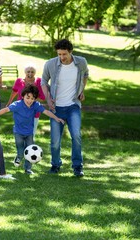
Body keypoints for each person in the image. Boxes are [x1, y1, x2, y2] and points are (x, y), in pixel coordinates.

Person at [41, 39, 89, 177]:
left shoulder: (81, 62)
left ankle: (77, 167)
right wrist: (48, 98)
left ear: (71, 52)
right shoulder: (51, 64)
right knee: (55, 140)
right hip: (56, 108)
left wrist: (82, 90)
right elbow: (44, 81)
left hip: (73, 105)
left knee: (76, 135)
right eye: (59, 54)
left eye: (64, 54)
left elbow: (85, 74)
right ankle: (55, 165)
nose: (61, 57)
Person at [0, 84, 64, 174]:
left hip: (29, 133)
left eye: (32, 98)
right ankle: (19, 157)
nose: (30, 100)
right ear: (23, 96)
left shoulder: (35, 105)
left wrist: (56, 118)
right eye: (28, 97)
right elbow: (5, 110)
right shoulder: (17, 105)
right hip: (18, 132)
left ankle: (28, 169)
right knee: (20, 150)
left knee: (30, 151)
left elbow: (46, 111)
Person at [6, 64, 45, 137]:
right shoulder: (19, 81)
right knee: (19, 133)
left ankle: (29, 147)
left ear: (35, 73)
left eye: (32, 72)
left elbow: (42, 98)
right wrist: (9, 102)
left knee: (31, 134)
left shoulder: (39, 81)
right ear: (25, 72)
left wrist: (30, 99)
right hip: (20, 112)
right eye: (28, 72)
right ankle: (21, 147)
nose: (30, 74)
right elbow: (14, 92)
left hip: (33, 112)